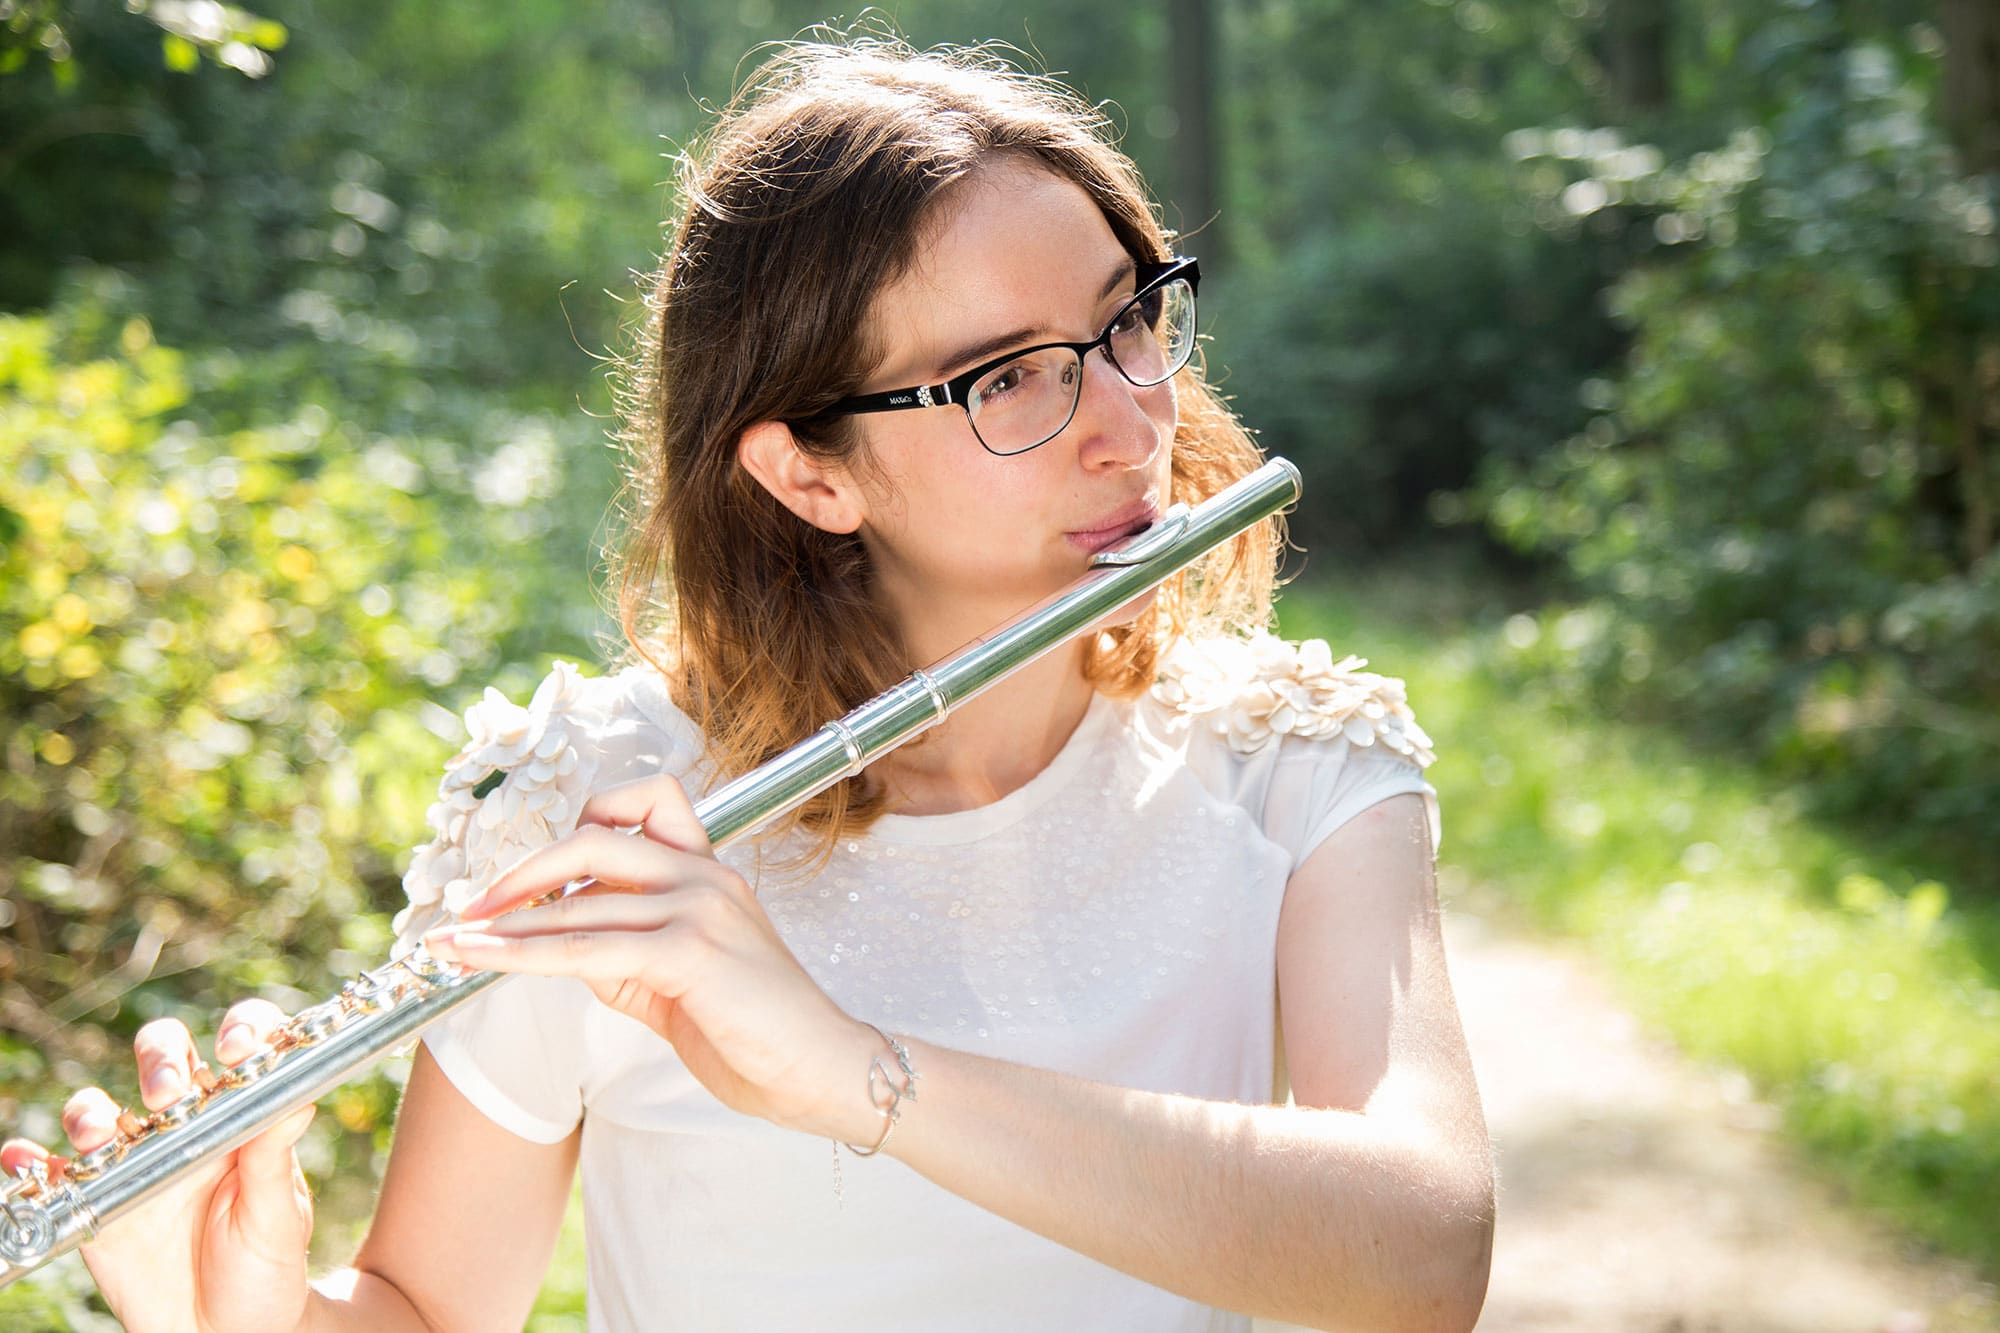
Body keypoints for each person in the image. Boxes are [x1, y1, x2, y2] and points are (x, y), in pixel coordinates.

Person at [4, 34, 1494, 1332]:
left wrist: (856, 1074)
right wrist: (240, 1316)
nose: (1128, 420)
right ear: (805, 469)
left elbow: (1423, 1253)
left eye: (1126, 320)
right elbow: (425, 1309)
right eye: (1012, 377)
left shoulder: (1296, 761)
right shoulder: (602, 811)